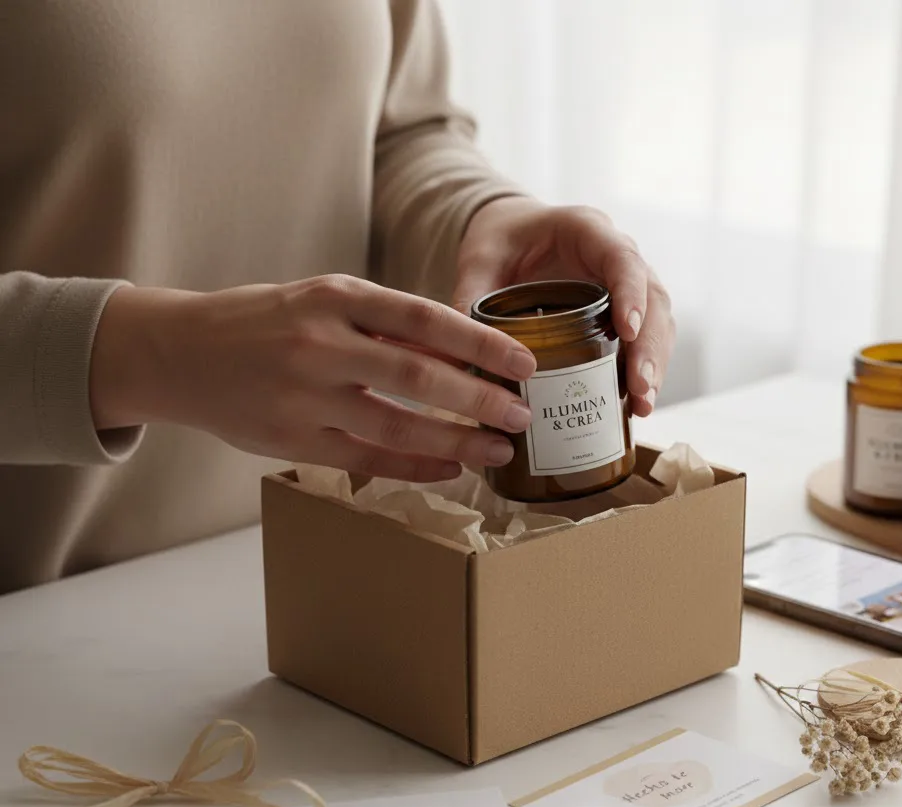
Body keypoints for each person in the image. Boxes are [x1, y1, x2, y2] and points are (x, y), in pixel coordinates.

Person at [0, 1, 674, 595]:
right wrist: (157, 354)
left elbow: (399, 129)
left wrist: (479, 219)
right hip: (45, 623)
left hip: (344, 571)